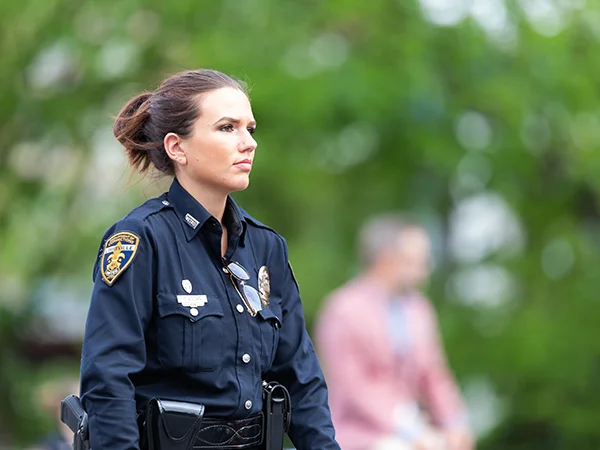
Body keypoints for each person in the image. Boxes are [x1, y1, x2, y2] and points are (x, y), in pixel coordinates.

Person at [78, 69, 340, 450]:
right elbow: (107, 380)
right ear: (177, 147)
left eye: (250, 128)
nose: (248, 143)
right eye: (227, 128)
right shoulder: (141, 240)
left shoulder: (266, 247)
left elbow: (301, 378)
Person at [315, 214, 474, 450]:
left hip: (414, 431)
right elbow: (353, 386)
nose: (425, 268)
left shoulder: (419, 309)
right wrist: (411, 431)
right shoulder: (343, 310)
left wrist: (456, 422)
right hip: (357, 432)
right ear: (385, 259)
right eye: (415, 259)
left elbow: (433, 374)